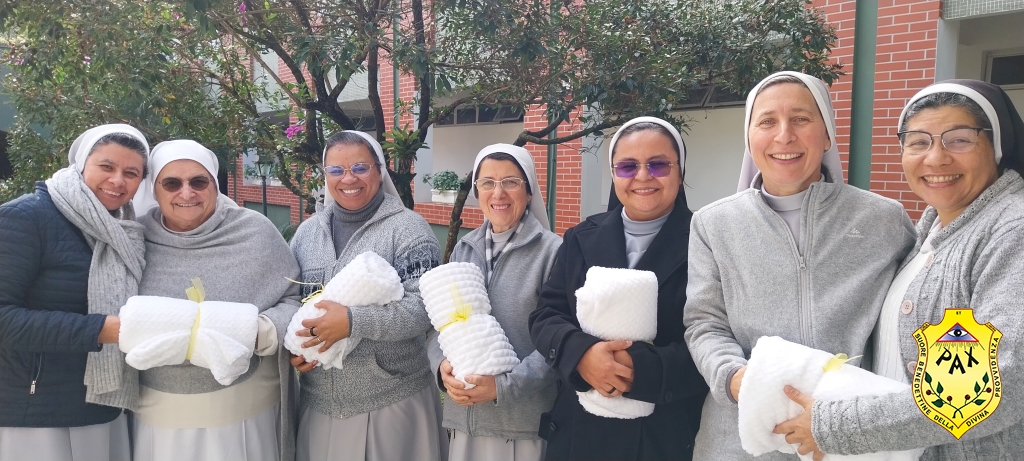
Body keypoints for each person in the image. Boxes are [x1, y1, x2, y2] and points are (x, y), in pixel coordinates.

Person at [776, 80, 1024, 460]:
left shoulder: (1011, 231)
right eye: (919, 142)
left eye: (959, 140)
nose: (936, 158)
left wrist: (833, 426)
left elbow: (986, 387)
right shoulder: (930, 233)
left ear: (998, 147)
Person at [682, 70, 917, 461]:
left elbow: (909, 317)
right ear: (749, 138)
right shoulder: (713, 224)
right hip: (740, 439)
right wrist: (736, 380)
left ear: (827, 135)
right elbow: (705, 322)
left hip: (846, 436)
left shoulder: (883, 219)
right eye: (767, 121)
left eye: (801, 119)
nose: (784, 135)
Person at [528, 117, 709, 461]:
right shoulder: (581, 237)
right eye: (627, 166)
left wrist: (638, 370)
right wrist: (581, 354)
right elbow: (546, 315)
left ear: (680, 170)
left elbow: (717, 336)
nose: (643, 176)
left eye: (658, 164)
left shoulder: (707, 242)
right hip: (580, 432)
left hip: (664, 437)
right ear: (614, 175)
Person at [130, 140, 301, 461]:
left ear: (214, 184)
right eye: (171, 183)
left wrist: (262, 331)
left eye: (198, 181)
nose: (187, 193)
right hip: (158, 412)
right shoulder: (132, 239)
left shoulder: (254, 231)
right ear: (154, 189)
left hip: (245, 408)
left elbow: (293, 297)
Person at [289, 131, 445, 461]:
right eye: (336, 170)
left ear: (379, 170)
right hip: (319, 404)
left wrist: (352, 322)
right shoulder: (307, 234)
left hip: (391, 401)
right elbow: (291, 302)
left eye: (360, 167)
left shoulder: (408, 229)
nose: (348, 179)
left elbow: (424, 308)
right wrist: (296, 346)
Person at [0, 124, 149, 461]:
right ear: (80, 166)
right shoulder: (27, 218)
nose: (117, 181)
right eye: (106, 166)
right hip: (37, 412)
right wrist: (100, 330)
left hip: (104, 407)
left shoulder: (125, 231)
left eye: (131, 173)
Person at [427, 144, 561, 461]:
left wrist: (504, 386)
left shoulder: (553, 253)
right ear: (477, 191)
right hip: (465, 420)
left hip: (521, 425)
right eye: (488, 182)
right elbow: (439, 322)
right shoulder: (464, 248)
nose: (498, 193)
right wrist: (441, 367)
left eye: (510, 182)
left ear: (528, 191)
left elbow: (559, 341)